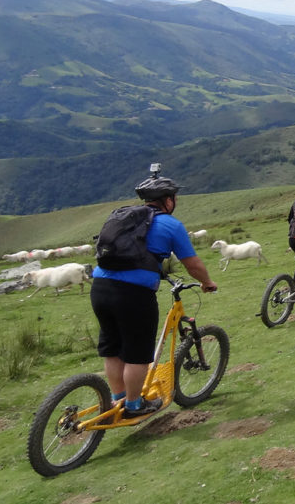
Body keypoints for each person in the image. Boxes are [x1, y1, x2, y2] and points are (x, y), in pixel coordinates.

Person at [90, 173, 218, 418]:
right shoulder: (171, 225)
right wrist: (207, 282)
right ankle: (134, 406)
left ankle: (118, 400)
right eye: (174, 197)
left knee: (113, 348)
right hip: (133, 295)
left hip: (100, 288)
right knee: (137, 353)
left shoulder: (122, 218)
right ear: (167, 201)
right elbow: (192, 264)